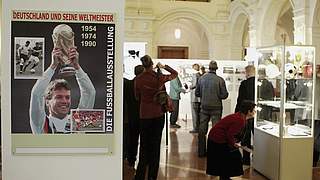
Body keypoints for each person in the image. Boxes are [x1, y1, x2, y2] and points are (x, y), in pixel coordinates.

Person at [29, 45, 96, 134]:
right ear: (47, 101)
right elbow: (36, 94)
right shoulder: (40, 124)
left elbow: (90, 92)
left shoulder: (78, 123)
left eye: (67, 97)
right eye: (59, 97)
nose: (64, 101)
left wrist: (76, 66)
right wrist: (53, 66)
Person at [134, 55, 177, 180]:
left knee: (144, 145)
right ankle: (152, 176)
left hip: (144, 115)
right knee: (156, 146)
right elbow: (174, 74)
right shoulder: (159, 77)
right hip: (158, 114)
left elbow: (137, 97)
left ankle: (140, 176)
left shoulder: (138, 79)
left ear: (143, 65)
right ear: (152, 64)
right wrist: (164, 66)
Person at [206, 100, 256, 180]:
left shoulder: (240, 117)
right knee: (231, 158)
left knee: (226, 160)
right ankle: (225, 177)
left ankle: (225, 177)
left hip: (217, 138)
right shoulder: (240, 120)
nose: (255, 111)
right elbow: (230, 134)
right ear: (248, 111)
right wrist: (233, 144)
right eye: (253, 110)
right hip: (217, 139)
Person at [195, 60, 228, 157]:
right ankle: (215, 152)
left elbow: (197, 93)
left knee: (202, 130)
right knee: (216, 130)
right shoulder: (220, 80)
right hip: (216, 108)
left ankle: (201, 152)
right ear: (216, 69)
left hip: (204, 106)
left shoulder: (201, 79)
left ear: (209, 68)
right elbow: (224, 95)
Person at [123, 65, 144, 167]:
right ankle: (144, 161)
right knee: (144, 139)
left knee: (132, 139)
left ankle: (131, 159)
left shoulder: (128, 84)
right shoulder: (145, 85)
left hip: (132, 116)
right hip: (144, 116)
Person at [234, 65, 255, 165]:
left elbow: (240, 100)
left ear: (247, 73)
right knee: (258, 136)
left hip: (246, 114)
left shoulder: (244, 84)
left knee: (246, 137)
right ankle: (258, 157)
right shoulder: (264, 83)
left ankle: (246, 160)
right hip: (258, 115)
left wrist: (237, 112)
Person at [189, 63, 201, 133]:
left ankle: (195, 128)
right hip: (199, 98)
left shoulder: (195, 75)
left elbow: (194, 85)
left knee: (194, 114)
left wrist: (189, 86)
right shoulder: (200, 75)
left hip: (194, 98)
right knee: (198, 114)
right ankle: (198, 128)